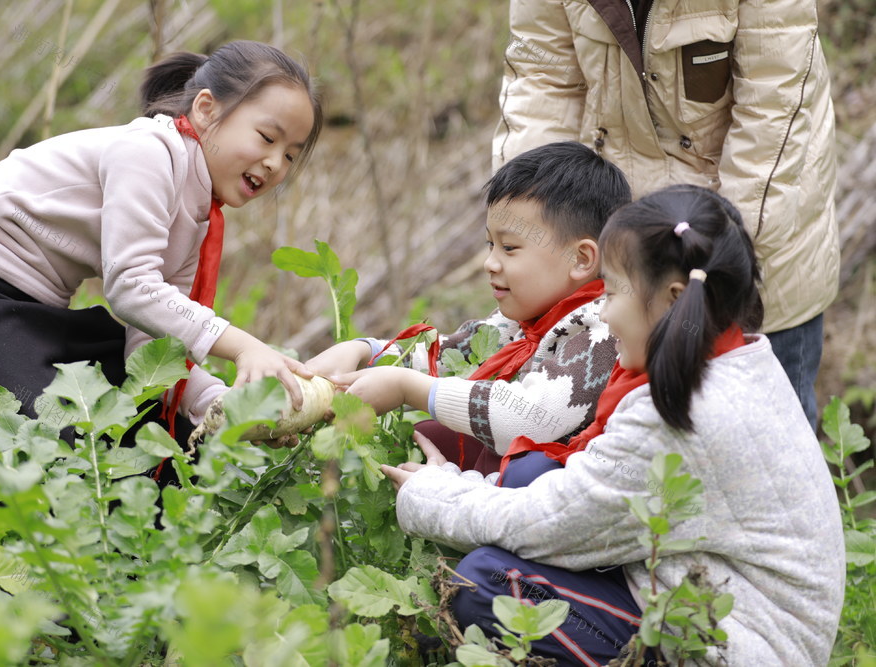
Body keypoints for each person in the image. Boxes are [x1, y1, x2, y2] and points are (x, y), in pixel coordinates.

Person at [382, 185, 844, 665]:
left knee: (487, 584)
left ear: (673, 299)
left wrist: (431, 494)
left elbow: (547, 524)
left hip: (739, 645)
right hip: (738, 614)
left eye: (615, 291)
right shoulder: (737, 356)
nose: (602, 313)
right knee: (528, 481)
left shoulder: (681, 413)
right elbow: (575, 500)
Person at [0, 41, 323, 447]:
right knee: (47, 442)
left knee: (156, 436)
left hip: (31, 311)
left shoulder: (195, 216)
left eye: (290, 155)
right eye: (268, 138)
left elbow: (152, 343)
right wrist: (245, 346)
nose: (274, 163)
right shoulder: (149, 153)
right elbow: (131, 288)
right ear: (207, 109)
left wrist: (217, 405)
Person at [493, 1, 839, 429]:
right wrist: (534, 241)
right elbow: (542, 82)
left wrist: (713, 275)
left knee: (766, 441)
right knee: (643, 459)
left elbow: (773, 117)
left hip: (751, 251)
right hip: (624, 262)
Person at [309, 141, 630, 475]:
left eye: (509, 247)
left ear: (580, 259)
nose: (490, 263)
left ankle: (464, 501)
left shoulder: (604, 328)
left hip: (571, 489)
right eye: (491, 244)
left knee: (527, 469)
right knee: (429, 435)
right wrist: (364, 352)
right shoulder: (519, 321)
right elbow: (446, 356)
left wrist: (407, 388)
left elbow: (527, 418)